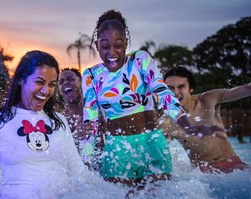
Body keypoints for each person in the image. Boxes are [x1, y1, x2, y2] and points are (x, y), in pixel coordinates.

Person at [82, 9, 223, 186]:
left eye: (118, 45)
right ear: (96, 45)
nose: (112, 53)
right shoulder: (91, 76)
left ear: (125, 43)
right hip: (117, 149)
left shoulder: (140, 60)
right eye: (105, 46)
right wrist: (85, 162)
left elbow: (162, 93)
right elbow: (91, 121)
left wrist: (187, 125)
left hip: (151, 143)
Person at [0, 50, 89, 199]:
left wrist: (113, 194)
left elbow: (77, 171)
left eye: (52, 84)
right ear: (21, 79)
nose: (46, 91)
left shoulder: (59, 121)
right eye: (39, 82)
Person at [161, 66, 250, 173]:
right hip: (204, 175)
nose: (175, 93)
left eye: (181, 86)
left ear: (191, 88)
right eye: (170, 88)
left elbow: (245, 89)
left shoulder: (208, 99)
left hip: (233, 165)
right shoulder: (166, 122)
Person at [58, 68, 103, 171]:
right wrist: (75, 137)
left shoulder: (98, 108)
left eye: (71, 79)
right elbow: (61, 149)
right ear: (60, 91)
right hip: (83, 169)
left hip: (105, 161)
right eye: (61, 82)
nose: (66, 83)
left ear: (81, 83)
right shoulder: (62, 119)